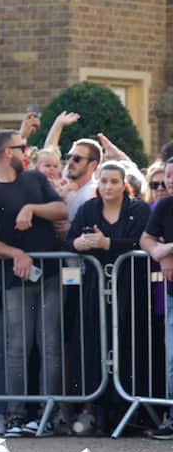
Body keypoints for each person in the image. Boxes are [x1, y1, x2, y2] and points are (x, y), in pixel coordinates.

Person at [0, 130, 68, 438]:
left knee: (50, 344)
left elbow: (61, 209)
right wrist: (16, 254)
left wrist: (32, 209)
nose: (27, 151)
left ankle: (47, 412)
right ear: (7, 153)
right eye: (21, 147)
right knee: (18, 347)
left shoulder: (34, 180)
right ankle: (16, 415)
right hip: (16, 280)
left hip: (50, 273)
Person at [68, 163, 150, 435]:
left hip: (130, 289)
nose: (108, 186)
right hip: (95, 289)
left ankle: (129, 411)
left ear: (123, 184)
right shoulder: (87, 210)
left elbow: (142, 242)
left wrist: (109, 244)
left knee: (128, 344)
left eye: (114, 181)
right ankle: (96, 409)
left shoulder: (137, 209)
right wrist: (77, 245)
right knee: (96, 344)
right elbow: (70, 240)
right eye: (104, 181)